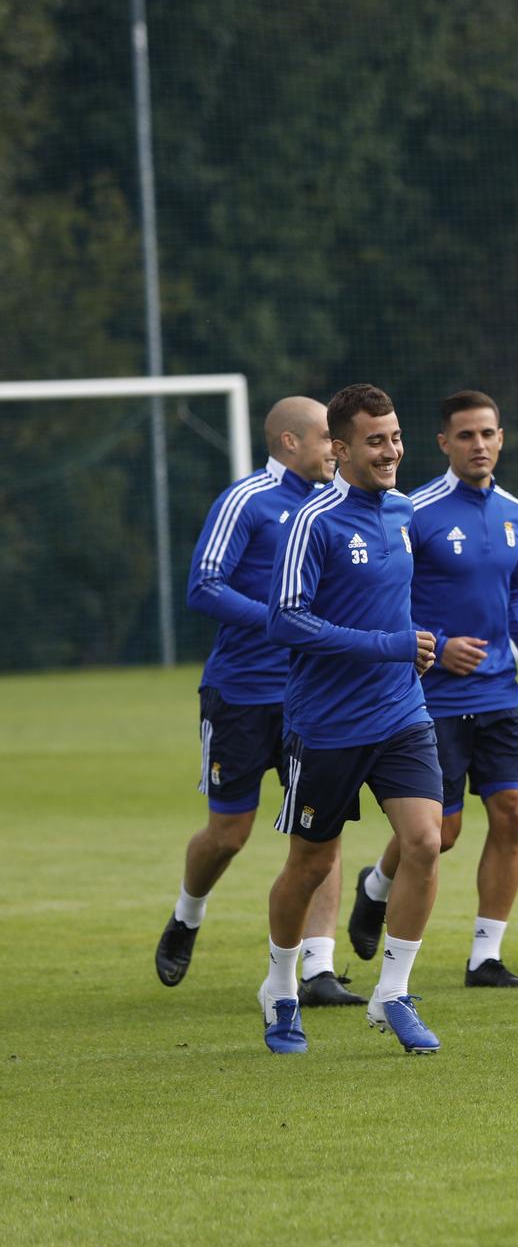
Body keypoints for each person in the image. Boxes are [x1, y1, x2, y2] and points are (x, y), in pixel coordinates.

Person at [157, 396, 364, 1006]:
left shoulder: (341, 506)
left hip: (317, 697)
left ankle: (319, 969)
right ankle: (188, 914)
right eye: (329, 436)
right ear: (290, 443)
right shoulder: (246, 500)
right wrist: (280, 622)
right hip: (244, 694)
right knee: (229, 833)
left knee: (322, 831)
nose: (338, 447)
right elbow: (204, 585)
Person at [347, 390, 518, 988]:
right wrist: (439, 641)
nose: (479, 445)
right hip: (433, 700)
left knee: (513, 812)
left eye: (488, 434)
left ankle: (485, 956)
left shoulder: (515, 513)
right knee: (442, 835)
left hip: (500, 695)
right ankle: (376, 886)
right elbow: (390, 598)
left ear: (501, 438)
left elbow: (515, 595)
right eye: (466, 436)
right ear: (443, 443)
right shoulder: (416, 510)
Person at [263, 383, 446, 1053]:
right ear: (339, 449)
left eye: (396, 436)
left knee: (426, 841)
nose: (392, 450)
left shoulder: (403, 512)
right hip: (328, 725)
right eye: (376, 440)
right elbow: (285, 620)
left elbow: (396, 601)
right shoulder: (315, 520)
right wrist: (387, 644)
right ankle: (281, 987)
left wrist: (418, 641)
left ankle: (392, 994)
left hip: (401, 711)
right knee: (309, 864)